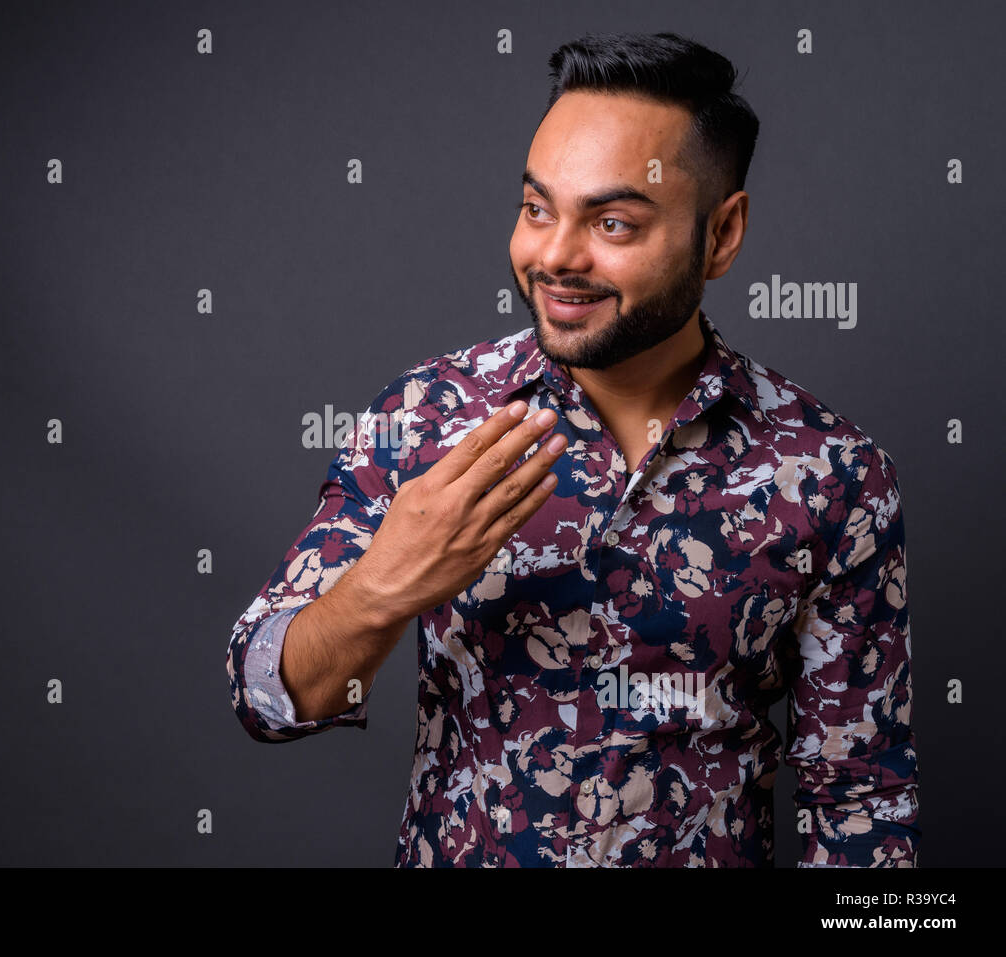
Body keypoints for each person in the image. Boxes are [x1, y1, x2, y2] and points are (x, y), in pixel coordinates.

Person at [225, 31, 918, 867]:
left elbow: (861, 793)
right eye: (536, 208)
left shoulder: (834, 474)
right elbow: (265, 695)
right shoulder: (428, 416)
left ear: (722, 234)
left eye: (613, 222)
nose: (554, 255)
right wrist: (382, 587)